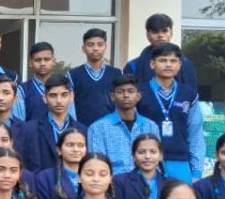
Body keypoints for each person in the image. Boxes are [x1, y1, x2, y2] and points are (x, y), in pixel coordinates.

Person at [135, 42, 203, 182]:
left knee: (181, 196)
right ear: (152, 64)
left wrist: (196, 171)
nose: (168, 65)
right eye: (163, 60)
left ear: (179, 65)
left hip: (180, 162)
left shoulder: (189, 94)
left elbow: (195, 133)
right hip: (145, 161)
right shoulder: (138, 92)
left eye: (173, 61)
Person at [87, 74, 160, 175]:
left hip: (143, 181)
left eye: (131, 91)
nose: (126, 95)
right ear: (112, 96)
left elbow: (156, 163)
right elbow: (97, 165)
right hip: (113, 182)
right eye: (120, 92)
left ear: (138, 96)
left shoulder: (151, 127)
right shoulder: (98, 128)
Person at [14, 76, 86, 174]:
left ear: (72, 96)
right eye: (53, 95)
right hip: (37, 182)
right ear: (45, 98)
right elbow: (21, 165)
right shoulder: (28, 129)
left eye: (64, 95)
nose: (59, 100)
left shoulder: (83, 131)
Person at [124, 13, 198, 88]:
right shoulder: (133, 66)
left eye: (164, 31)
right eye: (155, 32)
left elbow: (192, 92)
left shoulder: (186, 64)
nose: (160, 35)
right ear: (148, 35)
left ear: (171, 33)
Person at [67, 28, 122, 126]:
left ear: (105, 47)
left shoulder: (117, 74)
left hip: (110, 129)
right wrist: (75, 128)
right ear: (83, 48)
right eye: (90, 45)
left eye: (100, 45)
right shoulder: (72, 75)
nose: (95, 48)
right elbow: (70, 108)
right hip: (82, 130)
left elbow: (121, 104)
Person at [113, 134, 166, 199]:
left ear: (161, 156)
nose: (147, 156)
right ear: (133, 156)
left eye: (153, 152)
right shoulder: (120, 182)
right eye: (141, 152)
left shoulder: (169, 184)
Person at [16, 41, 58, 124]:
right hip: (31, 132)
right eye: (38, 60)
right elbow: (19, 123)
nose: (42, 63)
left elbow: (71, 118)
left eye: (47, 59)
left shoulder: (64, 88)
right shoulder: (22, 90)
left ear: (54, 61)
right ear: (30, 63)